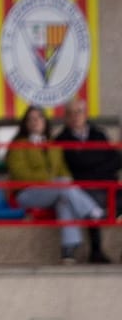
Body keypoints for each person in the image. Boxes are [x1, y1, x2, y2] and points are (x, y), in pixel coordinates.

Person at [5, 105, 106, 265]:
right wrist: (50, 181)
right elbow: (20, 174)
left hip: (54, 191)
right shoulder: (18, 145)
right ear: (25, 123)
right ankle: (91, 211)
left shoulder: (53, 145)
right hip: (26, 194)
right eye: (31, 119)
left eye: (39, 118)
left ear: (45, 122)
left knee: (64, 198)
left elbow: (65, 172)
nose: (35, 122)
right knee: (62, 186)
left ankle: (68, 251)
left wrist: (57, 182)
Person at [54, 98, 121, 262]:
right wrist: (95, 167)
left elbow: (116, 160)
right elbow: (73, 166)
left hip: (107, 183)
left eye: (79, 112)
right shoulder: (61, 140)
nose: (75, 116)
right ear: (65, 118)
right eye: (70, 113)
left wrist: (94, 168)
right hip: (83, 187)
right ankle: (96, 251)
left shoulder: (99, 134)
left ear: (86, 114)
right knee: (90, 202)